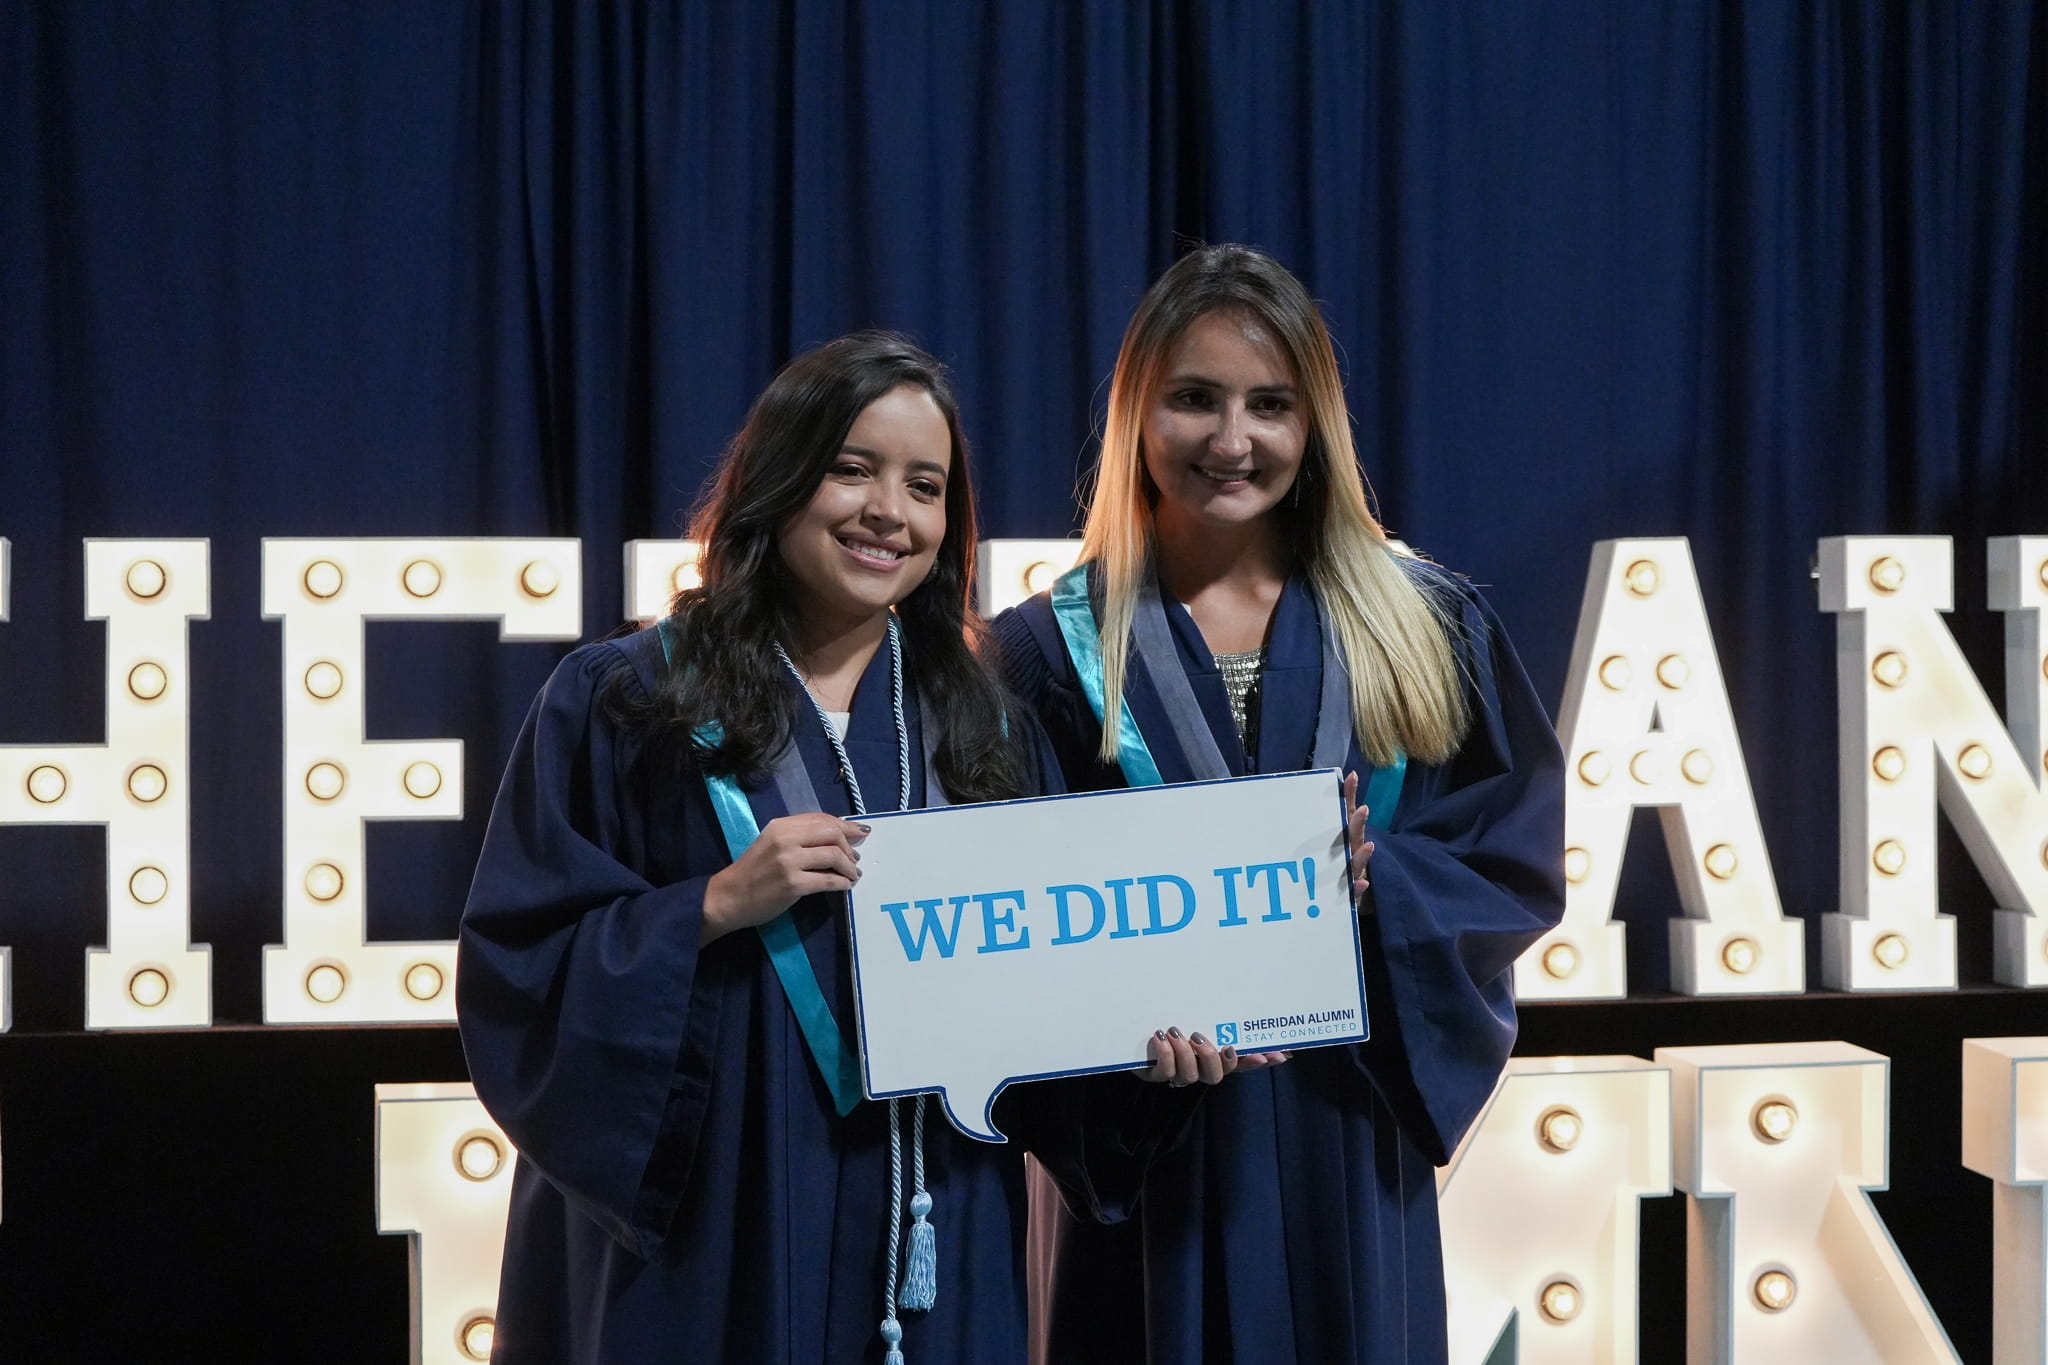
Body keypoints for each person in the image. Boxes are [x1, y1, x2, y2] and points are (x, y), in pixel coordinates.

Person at [457, 331, 1237, 1365]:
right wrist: (709, 906)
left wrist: (1145, 1063)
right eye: (850, 470)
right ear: (779, 480)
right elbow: (520, 964)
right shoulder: (631, 698)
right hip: (712, 1213)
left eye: (924, 487)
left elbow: (1050, 1003)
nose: (889, 513)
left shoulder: (986, 729)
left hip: (935, 1208)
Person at [993, 246, 1566, 1364]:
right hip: (1149, 1154)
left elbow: (1506, 859)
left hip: (1339, 1144)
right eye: (1192, 400)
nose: (1230, 440)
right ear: (1134, 417)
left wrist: (1378, 885)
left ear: (1315, 428)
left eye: (1269, 405)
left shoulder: (1422, 626)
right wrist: (1121, 1047)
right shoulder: (1043, 656)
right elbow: (1011, 931)